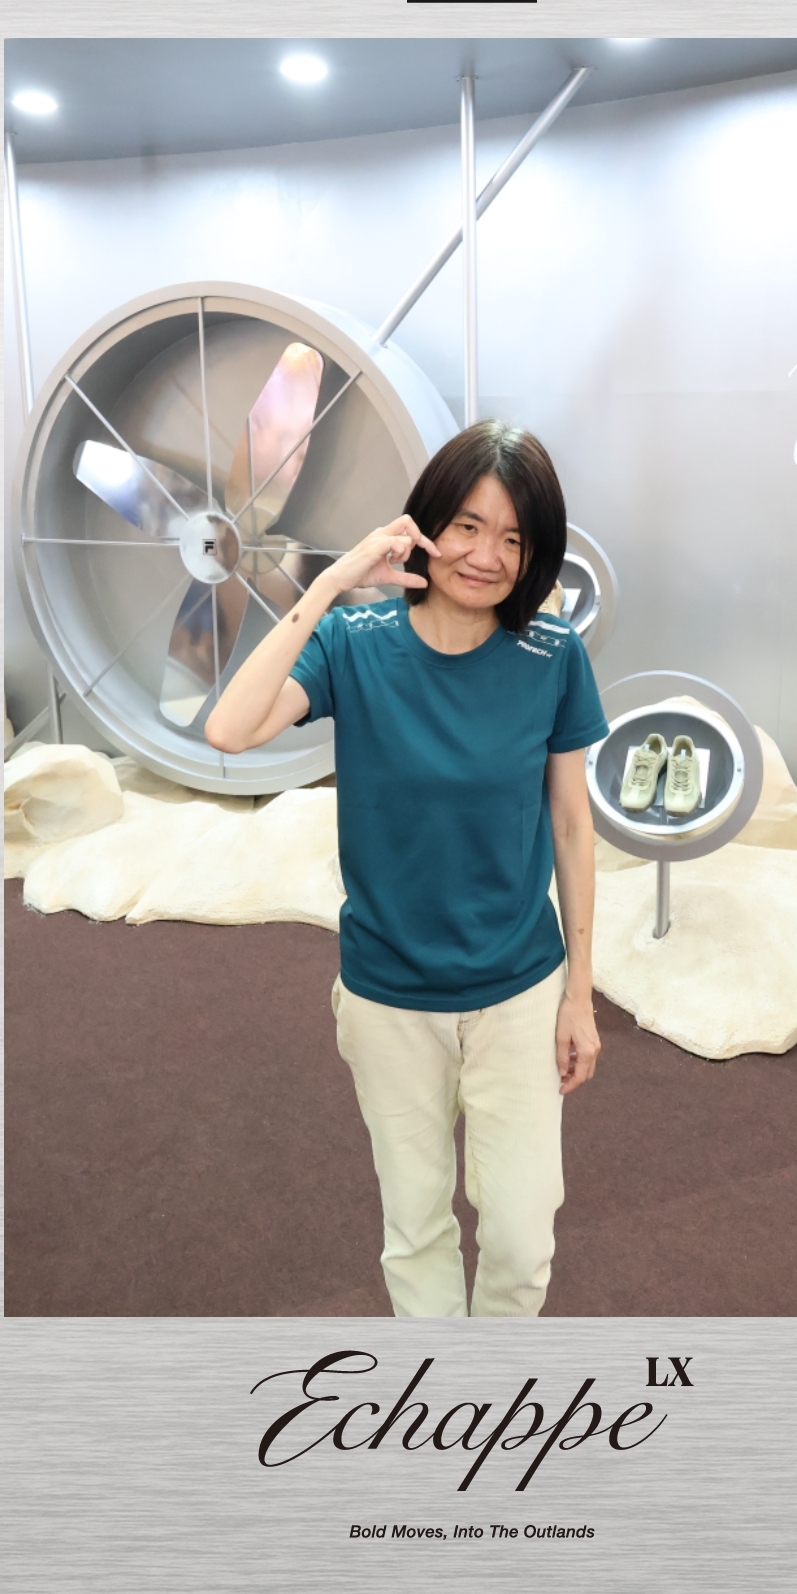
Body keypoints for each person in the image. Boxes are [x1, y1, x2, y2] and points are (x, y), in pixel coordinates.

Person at [205, 420, 608, 1317]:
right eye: (467, 526)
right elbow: (230, 729)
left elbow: (572, 824)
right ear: (427, 523)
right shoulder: (355, 643)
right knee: (417, 1226)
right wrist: (332, 583)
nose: (487, 556)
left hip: (518, 987)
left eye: (514, 539)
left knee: (520, 1236)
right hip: (388, 993)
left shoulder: (553, 656)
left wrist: (580, 992)